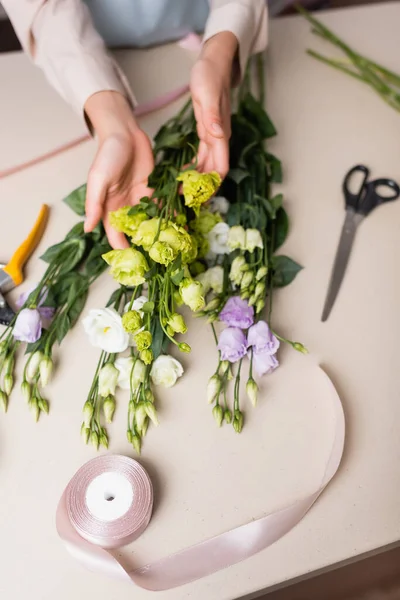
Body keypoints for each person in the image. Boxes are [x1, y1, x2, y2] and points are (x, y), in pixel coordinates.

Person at [3, 1, 267, 249]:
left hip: (203, 19)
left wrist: (219, 52)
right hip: (87, 40)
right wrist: (113, 125)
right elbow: (43, 8)